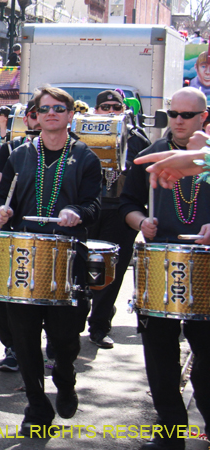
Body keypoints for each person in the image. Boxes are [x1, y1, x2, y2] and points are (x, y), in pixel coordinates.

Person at [0, 86, 102, 436]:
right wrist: (2, 212)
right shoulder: (19, 155)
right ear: (36, 116)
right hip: (24, 256)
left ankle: (65, 378)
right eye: (44, 109)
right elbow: (3, 201)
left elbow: (94, 206)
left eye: (58, 108)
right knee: (23, 338)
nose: (51, 113)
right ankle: (37, 407)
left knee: (65, 337)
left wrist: (77, 211)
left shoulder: (86, 157)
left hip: (66, 256)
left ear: (70, 115)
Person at [118, 87, 210, 450]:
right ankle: (170, 431)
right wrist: (141, 222)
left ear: (204, 116)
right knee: (159, 353)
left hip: (205, 264)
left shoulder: (207, 157)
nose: (178, 121)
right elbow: (127, 204)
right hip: (160, 261)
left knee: (206, 354)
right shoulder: (150, 155)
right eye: (173, 114)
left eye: (187, 115)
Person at [84, 90, 150, 350]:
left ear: (124, 110)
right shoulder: (83, 134)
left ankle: (99, 326)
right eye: (105, 107)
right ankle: (74, 322)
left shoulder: (137, 138)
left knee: (112, 271)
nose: (111, 111)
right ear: (96, 110)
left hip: (121, 210)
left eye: (116, 106)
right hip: (89, 208)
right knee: (81, 268)